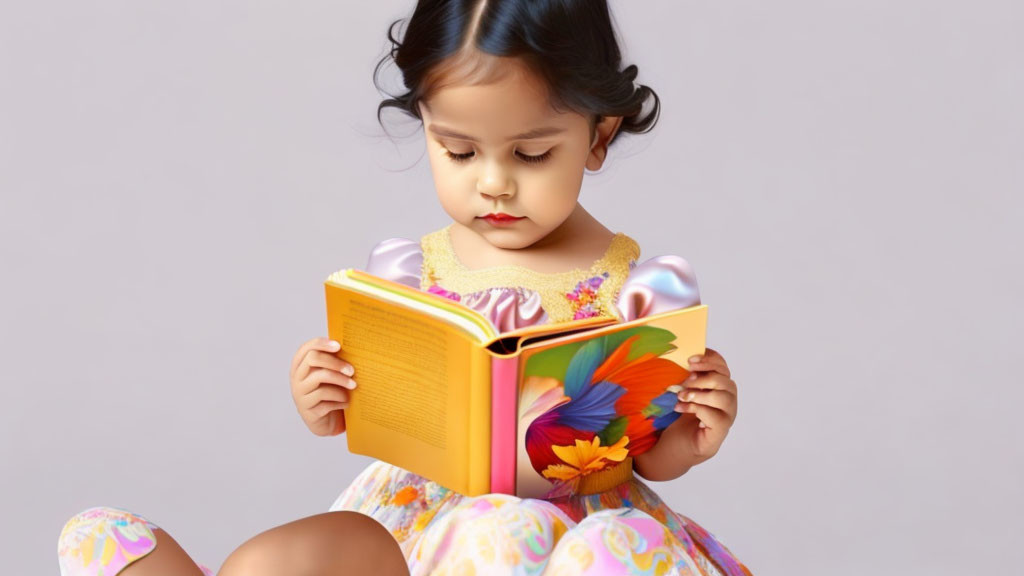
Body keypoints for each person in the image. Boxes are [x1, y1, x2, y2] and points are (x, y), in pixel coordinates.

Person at [58, 1, 752, 574]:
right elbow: (381, 409)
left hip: (566, 538)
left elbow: (652, 454)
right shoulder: (408, 273)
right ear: (425, 125)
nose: (493, 183)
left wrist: (692, 435)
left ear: (597, 137)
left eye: (533, 154)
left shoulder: (641, 290)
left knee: (528, 539)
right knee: (289, 558)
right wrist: (327, 396)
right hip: (416, 527)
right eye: (458, 150)